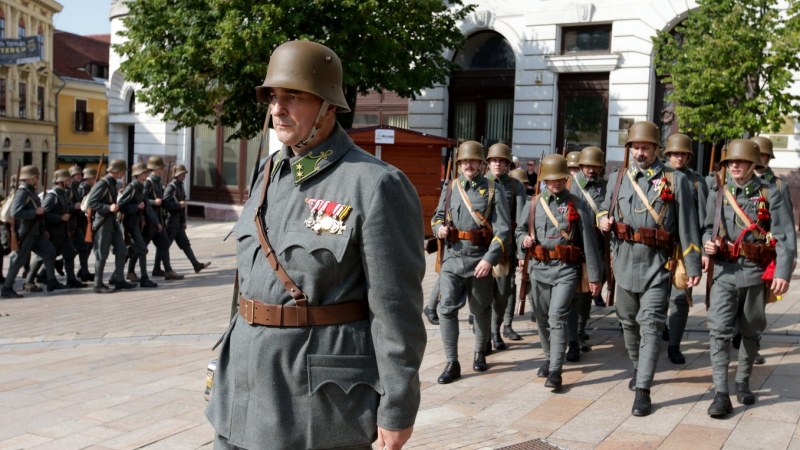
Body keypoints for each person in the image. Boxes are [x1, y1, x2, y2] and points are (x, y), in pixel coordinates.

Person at [205, 40, 427, 450]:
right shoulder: (269, 172)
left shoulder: (374, 185)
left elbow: (397, 309)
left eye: (293, 96)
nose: (277, 108)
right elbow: (248, 279)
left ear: (328, 105)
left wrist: (397, 406)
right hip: (243, 386)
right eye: (273, 96)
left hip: (316, 402)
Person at [598, 121, 702, 416]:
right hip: (624, 263)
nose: (640, 152)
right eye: (635, 147)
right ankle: (637, 366)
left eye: (645, 147)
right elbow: (604, 208)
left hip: (658, 264)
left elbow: (688, 226)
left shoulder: (675, 179)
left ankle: (643, 389)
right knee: (627, 321)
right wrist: (602, 218)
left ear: (657, 149)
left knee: (652, 325)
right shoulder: (617, 178)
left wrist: (693, 264)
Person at [702, 139, 795, 418]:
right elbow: (708, 227)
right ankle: (721, 393)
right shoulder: (718, 192)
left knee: (751, 330)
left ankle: (742, 380)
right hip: (724, 272)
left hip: (754, 273)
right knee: (718, 331)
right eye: (731, 162)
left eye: (740, 162)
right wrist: (708, 242)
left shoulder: (771, 193)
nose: (735, 166)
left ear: (754, 163)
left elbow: (785, 236)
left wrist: (782, 272)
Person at [517, 154, 602, 392]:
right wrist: (522, 239)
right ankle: (548, 355)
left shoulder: (577, 203)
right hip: (538, 268)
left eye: (559, 179)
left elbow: (588, 241)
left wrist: (595, 277)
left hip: (566, 269)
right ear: (544, 179)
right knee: (542, 318)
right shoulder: (534, 203)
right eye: (550, 179)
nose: (555, 183)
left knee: (557, 316)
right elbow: (521, 229)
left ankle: (556, 369)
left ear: (566, 178)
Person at [431, 140, 510, 384]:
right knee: (446, 310)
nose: (468, 165)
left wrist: (489, 259)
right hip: (453, 259)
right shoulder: (452, 186)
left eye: (473, 161)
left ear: (481, 163)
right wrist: (438, 229)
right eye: (464, 161)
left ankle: (479, 352)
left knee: (481, 309)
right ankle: (451, 362)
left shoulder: (493, 189)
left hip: (479, 260)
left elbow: (503, 230)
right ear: (459, 164)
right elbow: (437, 216)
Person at [661, 134, 708, 365]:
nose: (678, 157)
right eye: (674, 153)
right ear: (667, 154)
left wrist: (702, 254)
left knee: (680, 298)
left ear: (688, 156)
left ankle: (674, 345)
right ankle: (659, 330)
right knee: (655, 297)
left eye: (682, 154)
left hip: (684, 249)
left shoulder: (698, 182)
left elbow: (704, 222)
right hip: (659, 247)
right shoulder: (657, 177)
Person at [566, 146, 608, 362]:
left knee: (587, 294)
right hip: (572, 247)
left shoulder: (606, 186)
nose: (591, 170)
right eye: (588, 166)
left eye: (595, 166)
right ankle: (571, 338)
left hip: (596, 247)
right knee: (572, 296)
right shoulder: (568, 184)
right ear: (581, 166)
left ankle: (580, 330)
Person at [485, 143, 526, 350]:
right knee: (482, 293)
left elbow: (520, 222)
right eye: (493, 160)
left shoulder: (515, 185)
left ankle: (496, 329)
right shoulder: (480, 182)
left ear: (508, 164)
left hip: (504, 248)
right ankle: (485, 334)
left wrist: (521, 252)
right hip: (482, 247)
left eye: (501, 161)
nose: (497, 164)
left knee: (503, 292)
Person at [1, 166, 60, 298]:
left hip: (36, 231)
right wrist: (35, 212)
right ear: (29, 178)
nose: (37, 179)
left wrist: (43, 229)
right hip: (26, 231)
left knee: (49, 251)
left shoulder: (30, 191)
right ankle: (7, 288)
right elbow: (16, 212)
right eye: (35, 177)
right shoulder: (22, 192)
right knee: (18, 260)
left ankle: (51, 281)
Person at [28, 169, 85, 289]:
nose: (70, 182)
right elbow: (43, 213)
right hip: (53, 232)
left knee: (69, 254)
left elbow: (68, 208)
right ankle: (29, 279)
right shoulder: (52, 195)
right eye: (67, 180)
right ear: (61, 182)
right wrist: (59, 218)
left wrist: (74, 207)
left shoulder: (63, 193)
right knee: (42, 257)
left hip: (63, 231)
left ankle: (71, 279)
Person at [87, 159, 135, 293]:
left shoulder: (111, 183)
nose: (123, 174)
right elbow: (92, 202)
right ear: (118, 171)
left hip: (112, 222)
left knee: (121, 249)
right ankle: (98, 284)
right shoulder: (103, 184)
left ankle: (119, 280)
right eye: (122, 171)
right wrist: (109, 207)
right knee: (101, 255)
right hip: (103, 223)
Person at [118, 162, 159, 288]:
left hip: (136, 223)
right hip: (130, 224)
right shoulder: (132, 187)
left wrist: (156, 222)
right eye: (144, 173)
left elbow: (147, 208)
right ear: (138, 174)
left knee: (136, 249)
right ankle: (144, 279)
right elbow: (121, 205)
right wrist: (136, 207)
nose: (146, 174)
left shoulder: (140, 186)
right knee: (142, 249)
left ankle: (117, 275)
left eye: (146, 172)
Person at [142, 156, 183, 280]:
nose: (162, 170)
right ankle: (130, 271)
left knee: (164, 243)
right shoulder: (148, 183)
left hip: (158, 220)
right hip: (149, 221)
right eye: (160, 168)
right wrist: (154, 202)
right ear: (155, 169)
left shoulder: (158, 182)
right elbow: (141, 200)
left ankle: (168, 271)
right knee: (140, 247)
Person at [69, 165, 93, 282]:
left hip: (80, 221)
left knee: (84, 247)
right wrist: (75, 207)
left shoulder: (76, 187)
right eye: (76, 175)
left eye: (79, 174)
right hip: (74, 222)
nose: (78, 176)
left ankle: (83, 271)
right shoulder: (76, 188)